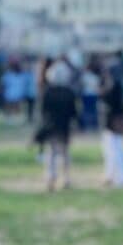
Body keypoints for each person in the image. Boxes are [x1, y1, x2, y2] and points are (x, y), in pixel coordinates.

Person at [38, 61, 78, 191]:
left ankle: (51, 177)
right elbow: (73, 112)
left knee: (52, 153)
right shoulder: (69, 92)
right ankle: (66, 178)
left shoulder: (48, 92)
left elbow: (43, 111)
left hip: (51, 125)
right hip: (64, 126)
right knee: (64, 153)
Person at [100, 67, 123, 188]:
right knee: (116, 150)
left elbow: (106, 100)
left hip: (112, 122)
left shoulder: (112, 87)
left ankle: (117, 177)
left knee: (113, 152)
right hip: (114, 121)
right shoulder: (119, 87)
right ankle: (113, 176)